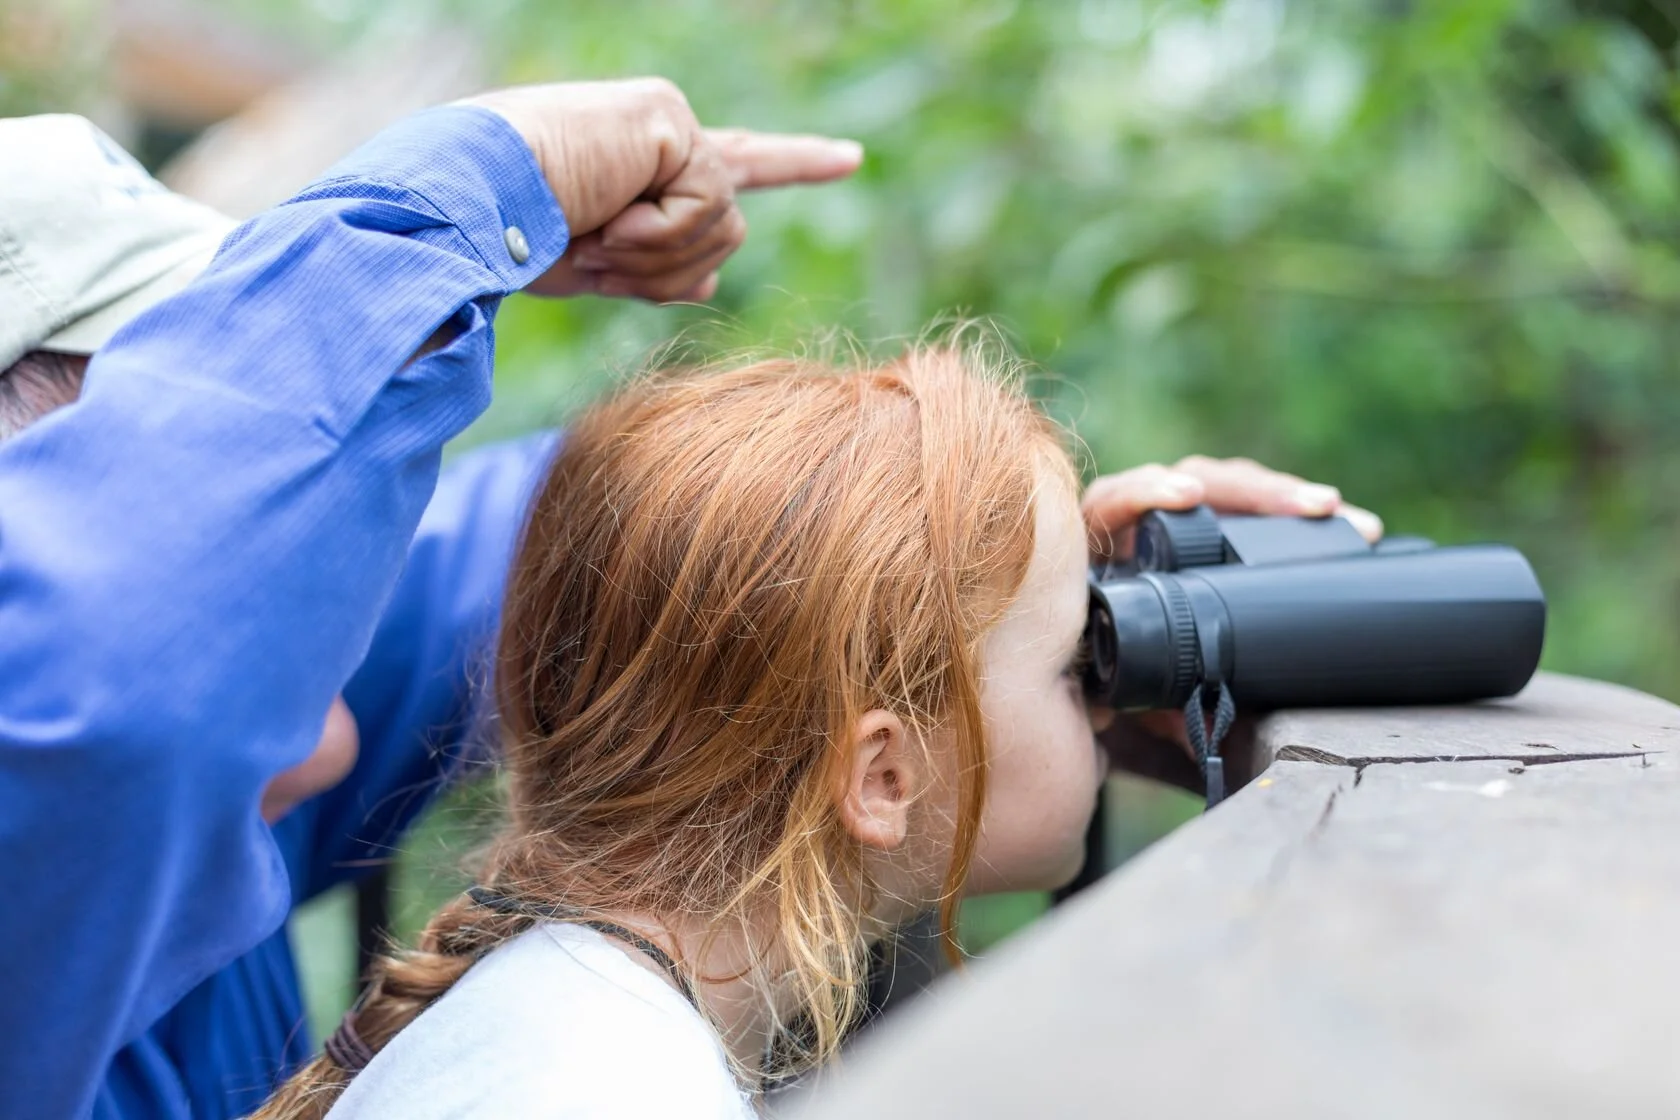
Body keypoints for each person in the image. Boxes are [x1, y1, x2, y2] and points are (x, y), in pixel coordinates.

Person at [0, 81, 868, 1120]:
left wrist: (971, 545)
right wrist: (476, 192)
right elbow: (122, 705)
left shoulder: (193, 755)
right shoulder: (113, 752)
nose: (321, 741)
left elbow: (606, 543)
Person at [250, 335, 1382, 1120]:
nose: (1106, 689)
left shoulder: (572, 1021)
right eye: (1075, 658)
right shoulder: (614, 1085)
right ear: (880, 774)